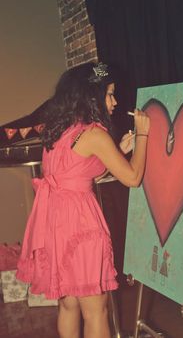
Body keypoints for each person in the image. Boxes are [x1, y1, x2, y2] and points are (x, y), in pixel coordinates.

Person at [16, 62, 150, 338]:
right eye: (109, 94)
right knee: (96, 309)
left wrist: (118, 152)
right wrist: (144, 132)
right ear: (92, 96)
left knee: (68, 304)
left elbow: (76, 174)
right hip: (80, 226)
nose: (114, 101)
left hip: (56, 224)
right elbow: (134, 178)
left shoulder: (60, 131)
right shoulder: (94, 134)